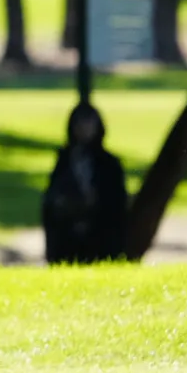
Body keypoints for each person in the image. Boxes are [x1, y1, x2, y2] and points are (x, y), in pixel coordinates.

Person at [42, 102, 129, 263]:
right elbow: (50, 204)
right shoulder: (65, 161)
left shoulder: (109, 164)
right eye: (80, 123)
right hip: (67, 239)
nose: (84, 129)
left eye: (88, 123)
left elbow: (117, 207)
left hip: (100, 238)